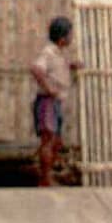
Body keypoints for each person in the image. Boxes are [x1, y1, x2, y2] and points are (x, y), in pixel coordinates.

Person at [30, 16, 80, 188]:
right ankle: (44, 179)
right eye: (70, 34)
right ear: (62, 37)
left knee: (56, 141)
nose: (71, 37)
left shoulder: (58, 54)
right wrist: (49, 87)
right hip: (47, 102)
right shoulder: (49, 52)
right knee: (48, 140)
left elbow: (58, 68)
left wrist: (71, 66)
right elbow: (36, 69)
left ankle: (46, 174)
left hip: (55, 102)